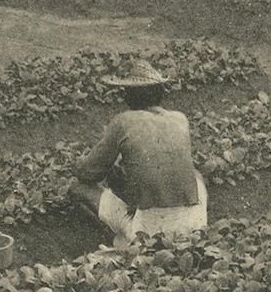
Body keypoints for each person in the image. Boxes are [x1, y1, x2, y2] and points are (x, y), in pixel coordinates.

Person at [70, 59, 205, 244]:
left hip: (148, 232)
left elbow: (88, 173)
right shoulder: (180, 119)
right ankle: (192, 233)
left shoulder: (123, 121)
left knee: (77, 189)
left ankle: (124, 241)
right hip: (192, 224)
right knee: (196, 175)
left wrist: (76, 163)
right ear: (159, 94)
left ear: (128, 95)